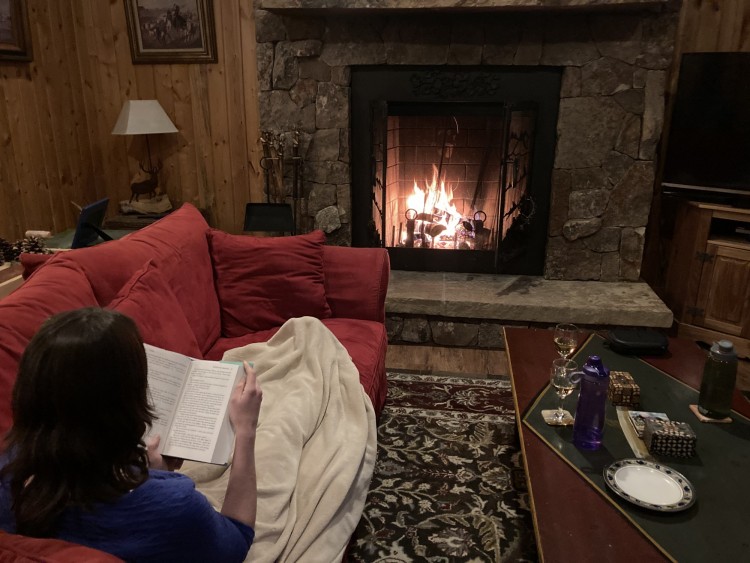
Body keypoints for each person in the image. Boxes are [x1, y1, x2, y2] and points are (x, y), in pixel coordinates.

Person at [0, 308, 262, 562]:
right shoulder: (172, 505)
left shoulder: (8, 474)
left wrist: (148, 474)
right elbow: (235, 541)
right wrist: (246, 429)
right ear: (125, 405)